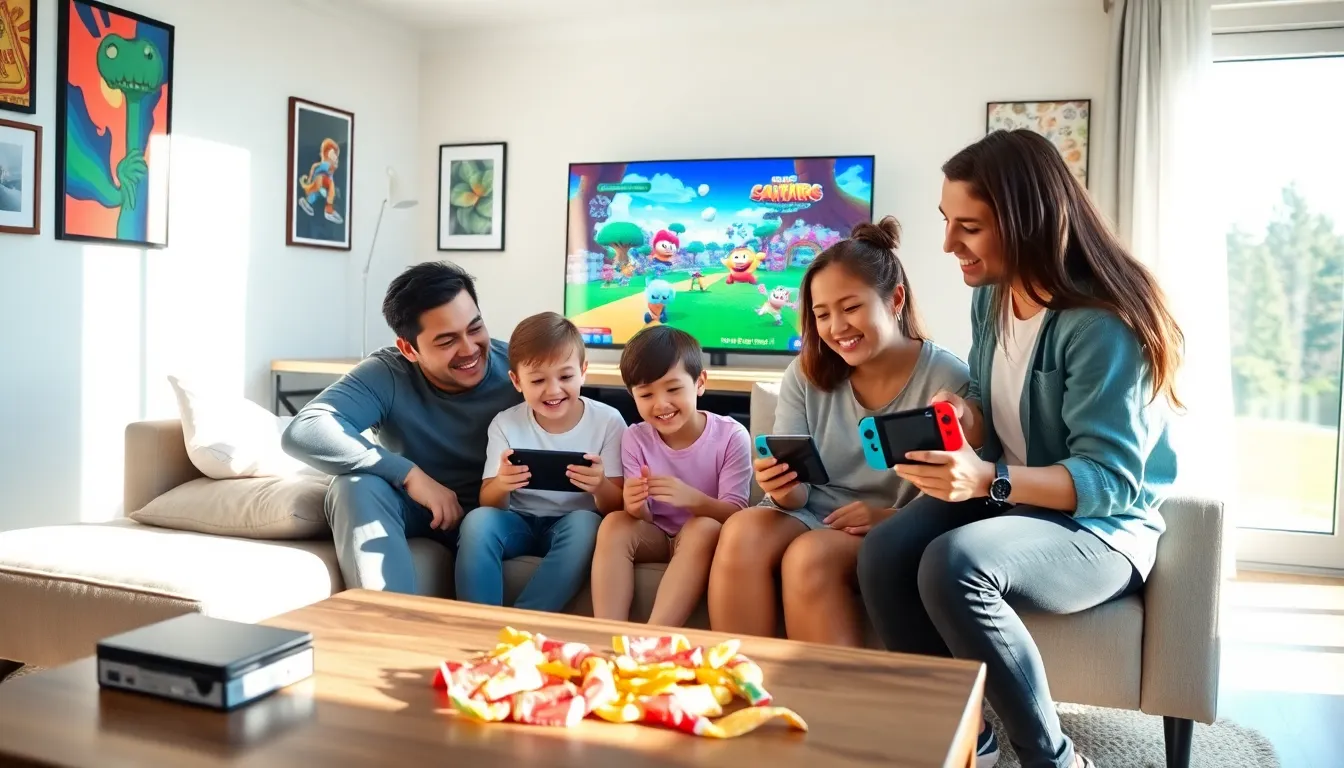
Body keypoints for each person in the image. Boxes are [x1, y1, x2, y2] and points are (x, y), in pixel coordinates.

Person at [857, 129, 1183, 768]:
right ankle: (961, 738)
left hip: (1097, 527)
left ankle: (1053, 758)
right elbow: (987, 396)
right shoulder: (992, 298)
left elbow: (1109, 481)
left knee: (955, 563)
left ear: (1027, 221)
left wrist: (984, 481)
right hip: (1014, 502)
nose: (949, 244)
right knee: (885, 549)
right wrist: (962, 415)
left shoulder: (1100, 324)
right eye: (948, 222)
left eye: (969, 228)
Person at [707, 217, 970, 646]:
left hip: (896, 525)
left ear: (895, 299)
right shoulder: (806, 373)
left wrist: (886, 518)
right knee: (741, 530)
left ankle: (826, 708)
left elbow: (952, 493)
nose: (836, 328)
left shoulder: (948, 378)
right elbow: (796, 496)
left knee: (810, 556)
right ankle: (742, 693)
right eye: (822, 314)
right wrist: (781, 483)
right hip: (813, 510)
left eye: (850, 308)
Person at [281, 261, 522, 594]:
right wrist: (409, 475)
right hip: (422, 512)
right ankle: (387, 626)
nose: (469, 349)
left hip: (500, 520)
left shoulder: (521, 369)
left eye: (475, 327)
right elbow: (305, 429)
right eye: (447, 340)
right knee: (354, 485)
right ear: (409, 349)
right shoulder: (388, 374)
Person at [455, 312, 626, 611]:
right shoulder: (505, 424)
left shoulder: (609, 421)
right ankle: (477, 622)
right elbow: (488, 502)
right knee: (477, 521)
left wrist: (599, 486)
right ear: (517, 381)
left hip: (572, 524)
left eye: (566, 377)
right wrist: (502, 484)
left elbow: (618, 507)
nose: (553, 390)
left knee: (587, 523)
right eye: (537, 380)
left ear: (584, 371)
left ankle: (526, 621)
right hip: (518, 522)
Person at [590, 325, 752, 625]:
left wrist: (693, 500)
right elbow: (643, 518)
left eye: (673, 389)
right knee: (615, 522)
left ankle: (655, 638)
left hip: (703, 537)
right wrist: (636, 507)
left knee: (702, 527)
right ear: (632, 395)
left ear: (700, 382)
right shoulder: (635, 437)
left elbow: (737, 514)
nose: (661, 404)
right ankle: (606, 633)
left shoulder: (731, 435)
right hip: (655, 535)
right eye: (646, 394)